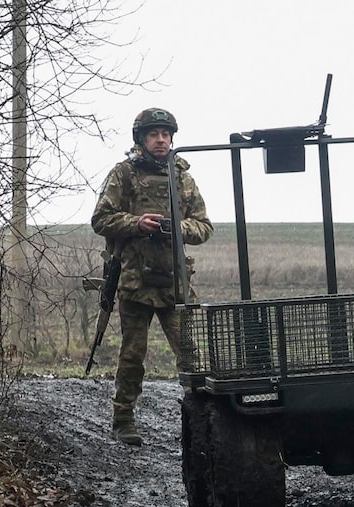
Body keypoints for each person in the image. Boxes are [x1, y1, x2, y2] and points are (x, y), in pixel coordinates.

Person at [91, 107, 214, 446]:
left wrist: (178, 227)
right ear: (141, 139)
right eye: (153, 134)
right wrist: (137, 223)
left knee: (190, 355)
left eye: (165, 134)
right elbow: (100, 219)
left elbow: (204, 226)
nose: (161, 140)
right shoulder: (124, 174)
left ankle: (204, 422)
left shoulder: (182, 177)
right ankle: (123, 419)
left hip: (174, 283)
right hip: (135, 281)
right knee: (133, 355)